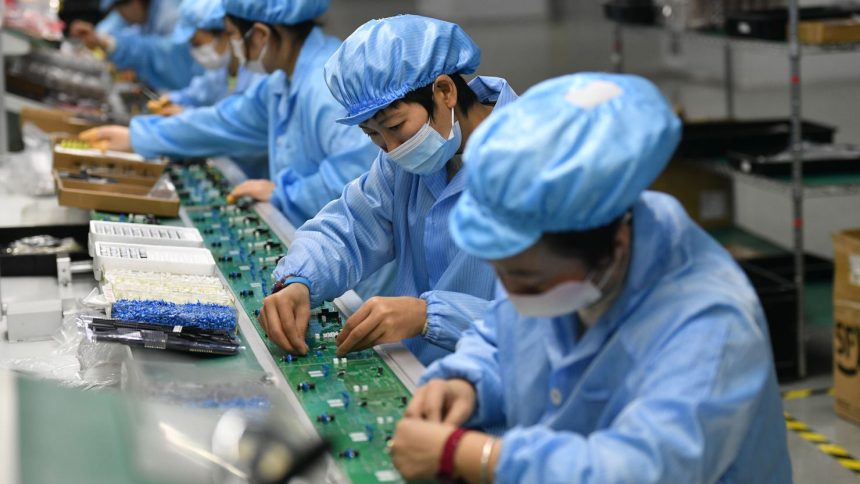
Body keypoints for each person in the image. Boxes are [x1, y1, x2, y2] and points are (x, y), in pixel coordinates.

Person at [388, 73, 793, 483]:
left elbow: (639, 469)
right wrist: (464, 383)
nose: (511, 292)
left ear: (615, 243)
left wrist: (476, 455)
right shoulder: (556, 257)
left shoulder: (711, 325)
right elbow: (501, 339)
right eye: (502, 272)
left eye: (527, 278)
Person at [259, 15, 517, 366]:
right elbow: (350, 228)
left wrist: (430, 315)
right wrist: (299, 280)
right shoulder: (405, 162)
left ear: (445, 91)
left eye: (395, 126)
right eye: (373, 135)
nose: (391, 147)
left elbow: (554, 321)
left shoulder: (533, 164)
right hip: (421, 377)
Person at [79, 0, 377, 224]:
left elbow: (358, 179)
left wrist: (285, 195)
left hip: (362, 284)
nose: (233, 46)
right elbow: (225, 121)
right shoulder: (281, 80)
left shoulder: (329, 84)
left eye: (233, 34)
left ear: (259, 35)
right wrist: (137, 135)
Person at [146, 0, 267, 115]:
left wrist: (187, 114)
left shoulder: (257, 74)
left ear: (224, 32)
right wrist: (169, 100)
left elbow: (235, 119)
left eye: (197, 43)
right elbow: (197, 94)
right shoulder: (221, 72)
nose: (194, 51)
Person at [69, 0, 201, 90]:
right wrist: (98, 38)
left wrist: (109, 43)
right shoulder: (145, 12)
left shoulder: (171, 13)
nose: (121, 15)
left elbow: (167, 53)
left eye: (120, 10)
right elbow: (112, 28)